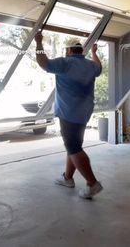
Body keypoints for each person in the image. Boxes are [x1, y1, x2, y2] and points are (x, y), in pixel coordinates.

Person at [35, 32, 103, 199]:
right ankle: (68, 178)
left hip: (69, 114)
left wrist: (38, 43)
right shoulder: (90, 66)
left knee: (73, 148)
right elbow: (99, 68)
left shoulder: (65, 63)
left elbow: (43, 63)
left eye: (66, 50)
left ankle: (92, 183)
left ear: (70, 51)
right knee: (72, 146)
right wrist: (94, 53)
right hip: (84, 113)